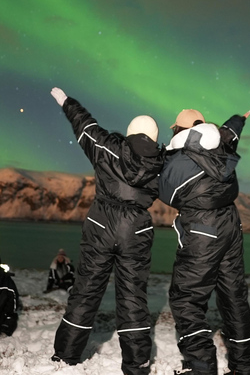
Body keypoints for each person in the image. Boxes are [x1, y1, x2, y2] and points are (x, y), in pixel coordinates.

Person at [49, 87, 164, 375]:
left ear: (129, 132)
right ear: (153, 136)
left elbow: (85, 126)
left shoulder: (108, 147)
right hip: (136, 230)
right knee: (133, 296)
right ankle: (137, 362)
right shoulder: (162, 162)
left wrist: (66, 102)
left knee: (86, 290)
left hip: (101, 224)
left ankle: (65, 355)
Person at [158, 109, 250, 375]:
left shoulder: (178, 160)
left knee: (187, 300)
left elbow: (167, 194)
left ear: (179, 130)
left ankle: (200, 368)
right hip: (230, 224)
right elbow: (230, 130)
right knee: (234, 297)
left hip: (202, 230)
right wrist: (240, 117)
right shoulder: (222, 143)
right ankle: (244, 368)